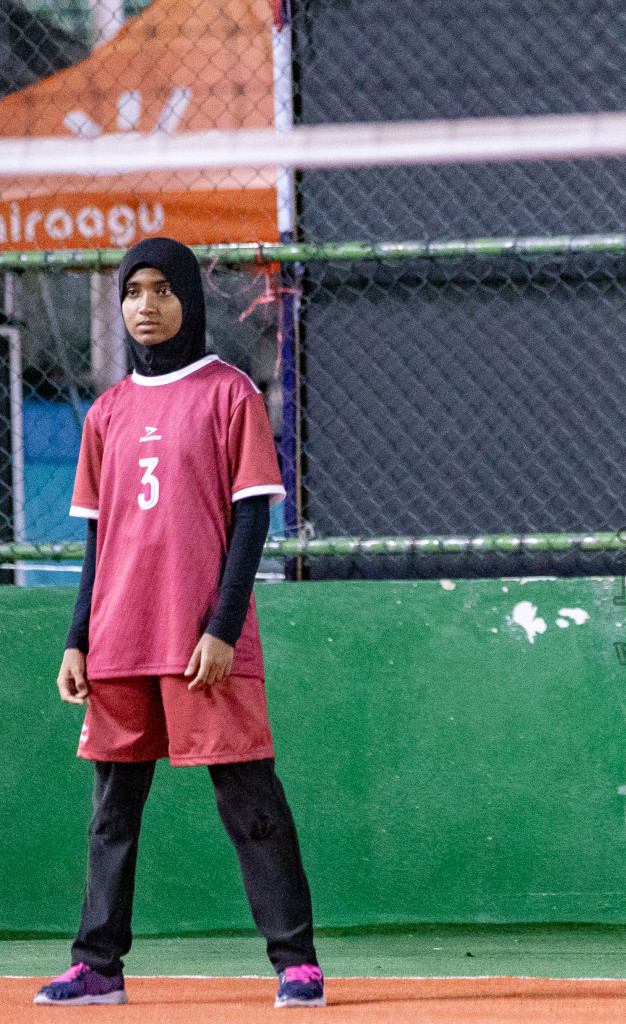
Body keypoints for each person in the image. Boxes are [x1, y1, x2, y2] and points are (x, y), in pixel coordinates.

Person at [35, 238, 324, 1009]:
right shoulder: (107, 412)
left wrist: (222, 629)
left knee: (249, 798)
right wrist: (76, 639)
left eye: (163, 289)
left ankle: (296, 962)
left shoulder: (230, 393)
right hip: (118, 637)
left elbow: (252, 520)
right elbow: (100, 541)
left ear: (189, 300)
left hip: (201, 640)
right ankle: (97, 965)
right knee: (112, 812)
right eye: (134, 291)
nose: (147, 305)